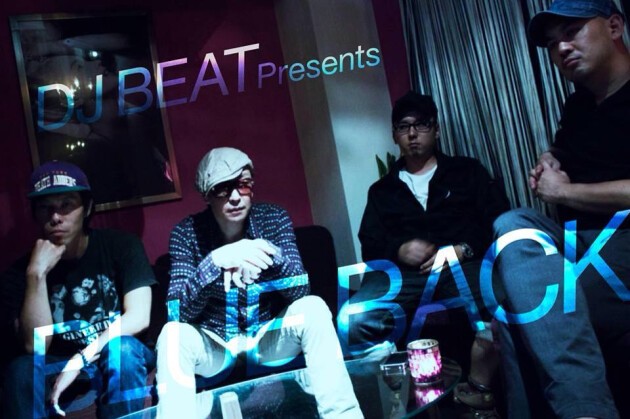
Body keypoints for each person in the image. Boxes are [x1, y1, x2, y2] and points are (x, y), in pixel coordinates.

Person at [492, 0, 630, 417]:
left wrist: (566, 193)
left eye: (571, 32)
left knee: (518, 313)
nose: (562, 48)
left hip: (621, 239)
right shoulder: (579, 106)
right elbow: (563, 152)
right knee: (512, 224)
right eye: (553, 43)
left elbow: (568, 191)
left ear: (614, 26)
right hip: (578, 242)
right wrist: (549, 159)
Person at [155, 147, 362, 418]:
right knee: (172, 336)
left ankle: (343, 415)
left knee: (313, 307)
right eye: (223, 189)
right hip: (216, 343)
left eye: (243, 185)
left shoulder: (273, 218)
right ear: (207, 194)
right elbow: (176, 313)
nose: (235, 197)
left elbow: (301, 289)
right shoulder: (186, 233)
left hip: (267, 335)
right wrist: (214, 262)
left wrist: (267, 253)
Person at [354, 92, 509, 416]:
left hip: (461, 263)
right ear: (394, 135)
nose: (412, 133)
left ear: (436, 129)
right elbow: (369, 243)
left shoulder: (467, 171)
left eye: (421, 125)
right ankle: (400, 397)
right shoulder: (381, 191)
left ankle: (480, 389)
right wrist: (398, 250)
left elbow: (496, 218)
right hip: (403, 274)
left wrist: (461, 249)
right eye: (404, 126)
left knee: (500, 300)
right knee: (356, 317)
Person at [0, 161, 156, 418]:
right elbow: (34, 347)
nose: (55, 217)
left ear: (87, 208)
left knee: (122, 350)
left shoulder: (121, 246)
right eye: (46, 208)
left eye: (66, 205)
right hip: (59, 361)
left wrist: (81, 358)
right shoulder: (22, 271)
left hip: (116, 351)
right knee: (20, 370)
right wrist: (36, 275)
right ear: (35, 214)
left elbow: (138, 317)